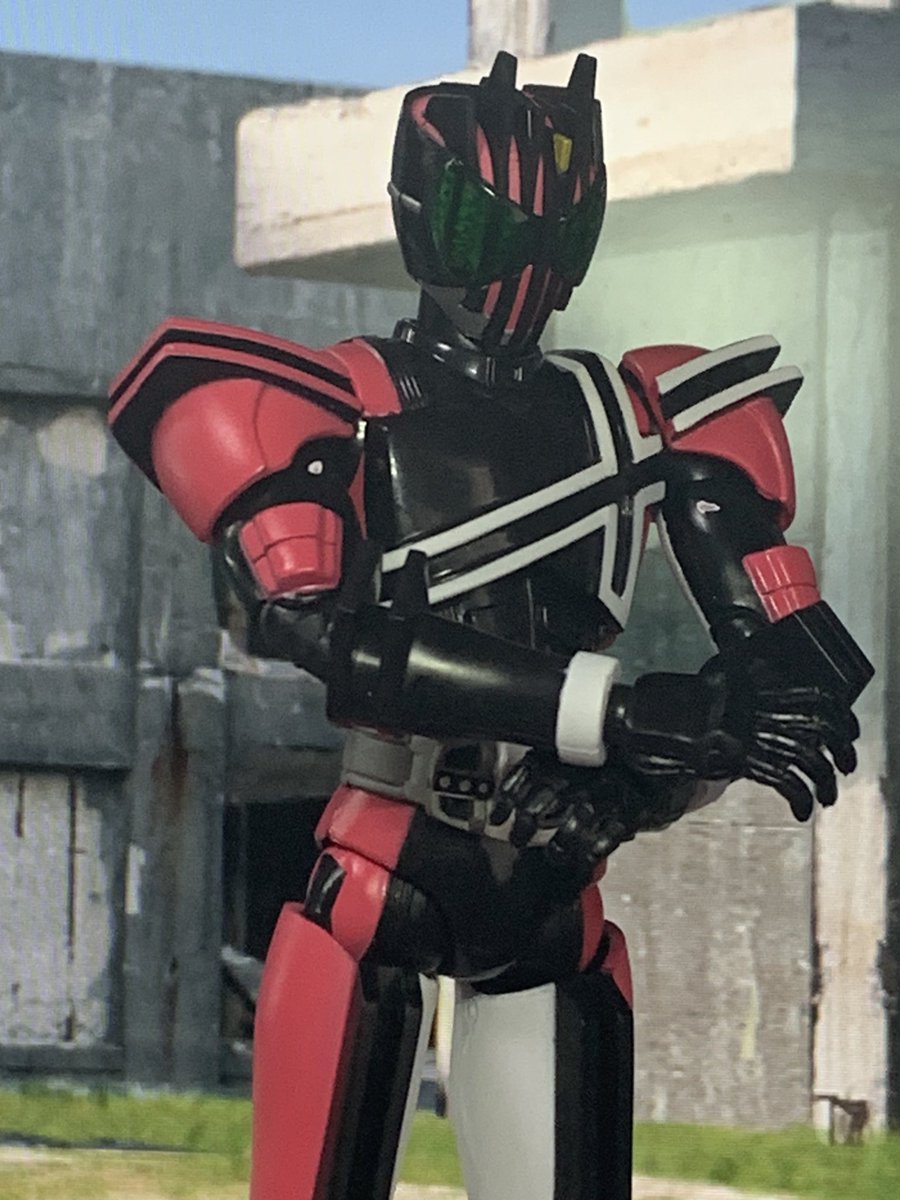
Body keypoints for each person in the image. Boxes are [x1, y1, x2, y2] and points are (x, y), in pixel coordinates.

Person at [108, 51, 871, 1200]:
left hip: (553, 883)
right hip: (387, 864)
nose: (524, 253)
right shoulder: (338, 404)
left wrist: (642, 788)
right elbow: (330, 642)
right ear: (432, 212)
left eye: (554, 220)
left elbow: (794, 692)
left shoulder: (645, 414)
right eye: (494, 218)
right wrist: (616, 715)